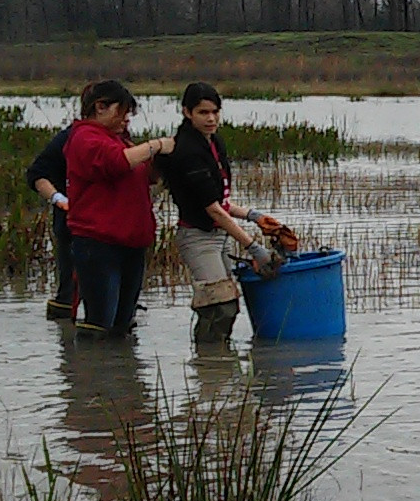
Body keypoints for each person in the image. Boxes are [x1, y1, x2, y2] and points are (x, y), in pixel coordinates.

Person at [154, 82, 269, 343]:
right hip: (198, 237)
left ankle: (217, 366)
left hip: (218, 235)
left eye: (215, 112)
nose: (211, 118)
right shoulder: (187, 150)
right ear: (186, 112)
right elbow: (214, 210)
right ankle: (208, 367)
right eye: (203, 113)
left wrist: (254, 215)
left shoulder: (214, 143)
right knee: (218, 307)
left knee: (228, 305)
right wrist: (252, 247)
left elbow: (221, 201)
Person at [61, 80, 174, 336]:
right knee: (100, 324)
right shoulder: (84, 137)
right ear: (100, 107)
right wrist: (155, 145)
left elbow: (144, 175)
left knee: (123, 324)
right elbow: (115, 163)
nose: (126, 119)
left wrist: (160, 161)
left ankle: (120, 373)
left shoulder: (120, 141)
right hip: (98, 245)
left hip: (130, 244)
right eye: (121, 112)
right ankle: (92, 371)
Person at [25, 113, 79, 320]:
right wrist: (58, 198)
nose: (125, 119)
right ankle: (66, 340)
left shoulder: (119, 139)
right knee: (68, 289)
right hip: (70, 224)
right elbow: (36, 174)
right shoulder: (67, 139)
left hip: (107, 228)